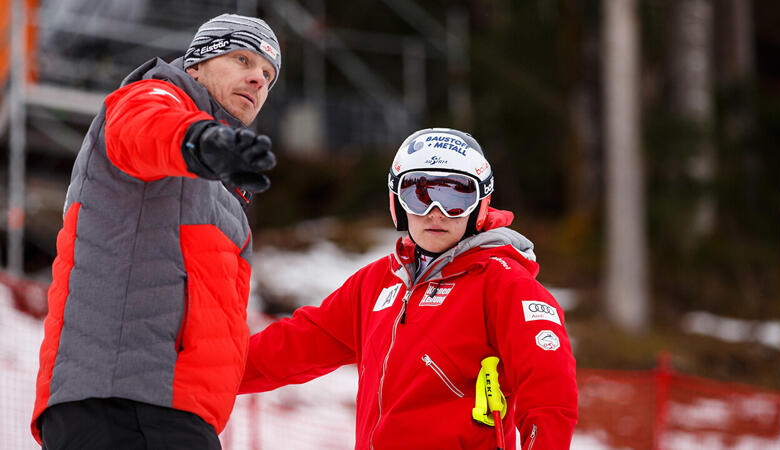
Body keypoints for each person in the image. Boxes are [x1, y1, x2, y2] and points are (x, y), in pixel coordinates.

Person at [31, 13, 282, 449]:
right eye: (242, 59)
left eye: (267, 74)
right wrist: (201, 142)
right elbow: (144, 129)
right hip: (124, 402)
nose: (258, 79)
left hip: (173, 411)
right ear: (196, 65)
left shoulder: (222, 194)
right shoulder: (153, 96)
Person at [239, 128, 579, 449]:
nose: (436, 213)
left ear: (480, 205)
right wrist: (203, 376)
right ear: (396, 201)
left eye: (455, 197)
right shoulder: (377, 283)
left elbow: (550, 394)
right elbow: (292, 346)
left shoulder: (504, 284)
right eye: (419, 195)